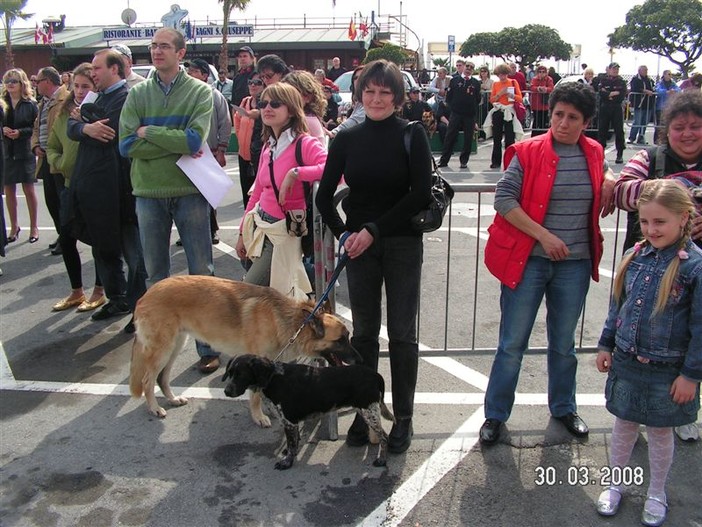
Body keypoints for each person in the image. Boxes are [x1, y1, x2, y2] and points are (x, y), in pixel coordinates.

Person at [480, 81, 616, 445]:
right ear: (550, 113)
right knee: (511, 344)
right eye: (558, 114)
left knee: (563, 343)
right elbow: (504, 200)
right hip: (529, 261)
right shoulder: (527, 152)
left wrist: (608, 178)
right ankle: (495, 415)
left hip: (574, 264)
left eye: (573, 117)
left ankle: (564, 407)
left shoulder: (594, 152)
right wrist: (543, 235)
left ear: (586, 121)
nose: (564, 123)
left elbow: (600, 171)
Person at [316, 59, 433, 454]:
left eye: (385, 92)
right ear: (360, 94)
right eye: (370, 91)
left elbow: (419, 193)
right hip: (359, 249)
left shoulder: (412, 134)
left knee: (402, 334)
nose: (377, 98)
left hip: (401, 244)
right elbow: (324, 196)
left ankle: (403, 418)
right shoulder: (346, 137)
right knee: (364, 335)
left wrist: (373, 230)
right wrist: (345, 234)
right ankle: (365, 412)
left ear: (398, 97)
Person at [595, 179, 701, 526]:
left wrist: (691, 375)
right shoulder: (635, 255)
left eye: (660, 222)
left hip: (667, 370)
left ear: (684, 218)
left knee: (659, 432)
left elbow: (701, 328)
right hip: (627, 361)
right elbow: (618, 307)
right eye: (644, 221)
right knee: (623, 425)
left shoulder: (694, 267)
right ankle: (616, 483)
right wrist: (606, 343)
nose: (651, 229)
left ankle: (657, 491)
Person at [119, 27, 218, 372]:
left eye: (164, 46)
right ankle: (154, 349)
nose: (157, 51)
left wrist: (150, 132)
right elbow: (126, 145)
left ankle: (208, 349)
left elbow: (193, 142)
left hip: (190, 192)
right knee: (155, 275)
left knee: (202, 274)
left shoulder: (200, 92)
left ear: (181, 51)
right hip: (148, 193)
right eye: (153, 46)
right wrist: (168, 140)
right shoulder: (137, 94)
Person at [613, 89, 702, 443]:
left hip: (693, 273)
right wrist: (675, 191)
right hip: (647, 270)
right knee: (639, 337)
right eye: (680, 127)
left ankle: (682, 411)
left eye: (696, 126)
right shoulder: (650, 157)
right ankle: (632, 414)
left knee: (690, 337)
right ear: (668, 130)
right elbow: (620, 192)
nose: (688, 133)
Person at [67, 50, 147, 332]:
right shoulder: (96, 97)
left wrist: (83, 122)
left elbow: (109, 130)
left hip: (122, 191)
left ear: (115, 69)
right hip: (96, 193)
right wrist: (84, 127)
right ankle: (117, 298)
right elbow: (71, 124)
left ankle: (141, 310)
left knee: (135, 254)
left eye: (98, 68)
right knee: (103, 249)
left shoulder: (127, 98)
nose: (93, 74)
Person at [234, 82, 327, 299]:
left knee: (248, 295)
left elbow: (335, 170)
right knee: (274, 299)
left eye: (275, 104)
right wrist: (241, 233)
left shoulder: (304, 144)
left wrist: (296, 173)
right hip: (259, 226)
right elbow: (256, 193)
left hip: (283, 232)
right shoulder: (269, 145)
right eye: (263, 103)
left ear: (292, 109)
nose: (267, 108)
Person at [46, 62, 106, 313]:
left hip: (94, 188)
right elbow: (52, 147)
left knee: (98, 241)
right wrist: (59, 163)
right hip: (69, 185)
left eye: (86, 86)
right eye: (77, 86)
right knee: (67, 237)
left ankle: (100, 290)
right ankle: (76, 291)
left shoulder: (99, 111)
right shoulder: (63, 113)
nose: (80, 91)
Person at [185, 58, 233, 244]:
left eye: (195, 71)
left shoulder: (214, 95)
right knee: (188, 195)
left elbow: (225, 123)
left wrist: (222, 149)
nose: (191, 75)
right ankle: (187, 231)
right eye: (189, 71)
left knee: (209, 193)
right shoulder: (184, 96)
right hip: (189, 153)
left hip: (210, 152)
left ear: (205, 75)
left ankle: (212, 229)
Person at [31, 66, 68, 252]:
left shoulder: (64, 99)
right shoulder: (43, 103)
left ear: (47, 81)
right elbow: (37, 128)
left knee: (62, 202)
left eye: (38, 81)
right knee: (51, 201)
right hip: (45, 158)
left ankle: (67, 239)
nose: (35, 84)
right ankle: (62, 234)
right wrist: (36, 144)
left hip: (59, 158)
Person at [2, 69, 39, 245]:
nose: (10, 84)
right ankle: (14, 226)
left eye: (14, 81)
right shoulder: (2, 103)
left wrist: (20, 133)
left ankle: (34, 227)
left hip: (25, 151)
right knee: (9, 189)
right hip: (6, 151)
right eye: (7, 80)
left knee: (29, 190)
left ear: (22, 83)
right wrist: (3, 130)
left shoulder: (31, 104)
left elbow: (35, 129)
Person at [437, 61, 481, 169]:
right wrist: (453, 108)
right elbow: (449, 96)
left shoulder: (475, 83)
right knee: (449, 136)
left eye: (471, 67)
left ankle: (464, 161)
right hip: (456, 113)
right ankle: (444, 160)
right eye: (467, 66)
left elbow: (477, 99)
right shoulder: (454, 80)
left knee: (468, 138)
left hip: (469, 115)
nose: (469, 69)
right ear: (464, 67)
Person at [484, 63, 524, 169]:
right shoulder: (496, 84)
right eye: (500, 75)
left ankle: (510, 161)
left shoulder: (513, 82)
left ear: (507, 74)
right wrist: (499, 94)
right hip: (498, 110)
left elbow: (520, 98)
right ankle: (496, 161)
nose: (502, 77)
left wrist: (512, 95)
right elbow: (491, 99)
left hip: (509, 111)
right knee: (496, 137)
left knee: (510, 138)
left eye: (504, 74)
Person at [233, 72, 263, 208]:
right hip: (243, 155)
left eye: (257, 83)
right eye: (250, 82)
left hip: (258, 156)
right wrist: (240, 140)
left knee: (258, 195)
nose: (252, 85)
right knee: (246, 193)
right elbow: (237, 120)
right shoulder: (245, 101)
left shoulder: (266, 106)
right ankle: (247, 225)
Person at [282, 70, 327, 145]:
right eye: (283, 93)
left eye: (291, 93)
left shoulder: (306, 121)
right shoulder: (305, 117)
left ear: (307, 97)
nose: (285, 98)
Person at [596, 62, 627, 164]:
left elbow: (621, 95)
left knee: (619, 131)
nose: (615, 71)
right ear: (609, 70)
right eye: (613, 69)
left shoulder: (621, 81)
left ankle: (619, 154)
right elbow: (601, 93)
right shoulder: (603, 80)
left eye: (617, 69)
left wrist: (609, 93)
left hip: (616, 107)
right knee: (602, 131)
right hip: (605, 107)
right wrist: (611, 94)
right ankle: (601, 153)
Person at [327, 65, 365, 139]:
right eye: (355, 78)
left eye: (362, 77)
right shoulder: (358, 102)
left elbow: (354, 121)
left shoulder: (369, 103)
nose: (358, 80)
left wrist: (333, 132)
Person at [628, 65, 656, 146]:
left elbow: (653, 88)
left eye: (646, 70)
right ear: (639, 70)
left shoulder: (650, 79)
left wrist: (652, 91)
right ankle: (632, 137)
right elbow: (634, 88)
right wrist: (645, 91)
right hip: (639, 104)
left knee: (645, 122)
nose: (646, 71)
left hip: (648, 104)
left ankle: (641, 137)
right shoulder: (635, 79)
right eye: (644, 70)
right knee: (637, 121)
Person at [653, 70, 680, 144]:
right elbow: (657, 90)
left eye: (671, 74)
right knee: (659, 124)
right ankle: (656, 140)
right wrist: (666, 92)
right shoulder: (660, 83)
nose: (670, 75)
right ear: (664, 75)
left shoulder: (673, 83)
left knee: (668, 124)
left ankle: (665, 140)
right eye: (668, 74)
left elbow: (679, 90)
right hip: (660, 107)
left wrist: (674, 91)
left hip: (670, 107)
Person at [529, 65, 554, 137]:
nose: (541, 73)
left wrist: (545, 89)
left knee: (545, 124)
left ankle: (545, 138)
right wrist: (538, 89)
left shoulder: (549, 79)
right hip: (536, 105)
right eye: (540, 72)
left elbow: (551, 88)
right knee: (536, 123)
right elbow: (532, 87)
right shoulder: (534, 79)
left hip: (545, 106)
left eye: (543, 72)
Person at [477, 66, 493, 140]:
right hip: (479, 102)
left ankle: (485, 134)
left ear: (487, 72)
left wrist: (485, 87)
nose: (483, 73)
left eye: (485, 71)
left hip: (487, 102)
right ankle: (479, 134)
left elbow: (492, 91)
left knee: (485, 118)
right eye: (482, 71)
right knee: (479, 118)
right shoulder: (478, 81)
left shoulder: (491, 81)